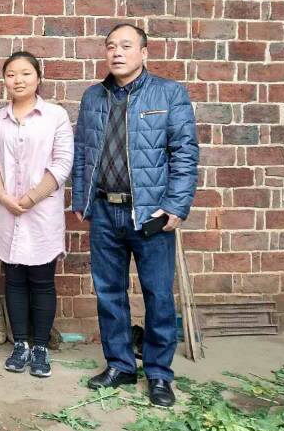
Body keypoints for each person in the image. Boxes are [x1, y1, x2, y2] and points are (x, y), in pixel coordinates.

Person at [73, 24, 198, 407]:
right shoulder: (93, 96)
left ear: (144, 53)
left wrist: (176, 205)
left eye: (126, 46)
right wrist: (81, 198)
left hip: (150, 213)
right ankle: (120, 365)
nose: (117, 53)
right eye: (111, 46)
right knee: (109, 293)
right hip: (105, 211)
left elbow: (185, 152)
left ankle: (159, 374)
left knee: (158, 295)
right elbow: (82, 151)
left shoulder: (169, 93)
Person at [0, 52, 73, 378]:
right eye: (11, 74)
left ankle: (40, 347)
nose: (18, 80)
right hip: (7, 210)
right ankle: (20, 344)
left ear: (38, 77)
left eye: (25, 73)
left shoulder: (55, 116)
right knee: (14, 280)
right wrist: (3, 196)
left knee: (42, 281)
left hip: (41, 212)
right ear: (4, 79)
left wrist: (31, 197)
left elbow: (62, 163)